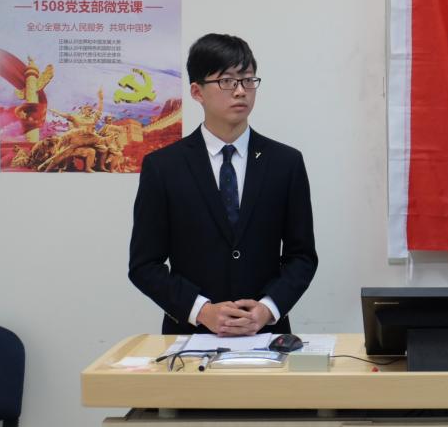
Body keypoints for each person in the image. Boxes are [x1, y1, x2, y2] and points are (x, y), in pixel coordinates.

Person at [128, 33, 318, 335]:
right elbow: (144, 265)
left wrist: (268, 308)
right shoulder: (164, 167)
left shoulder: (285, 162)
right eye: (227, 81)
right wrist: (202, 311)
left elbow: (302, 256)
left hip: (266, 335)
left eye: (248, 80)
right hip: (191, 337)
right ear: (197, 91)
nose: (240, 91)